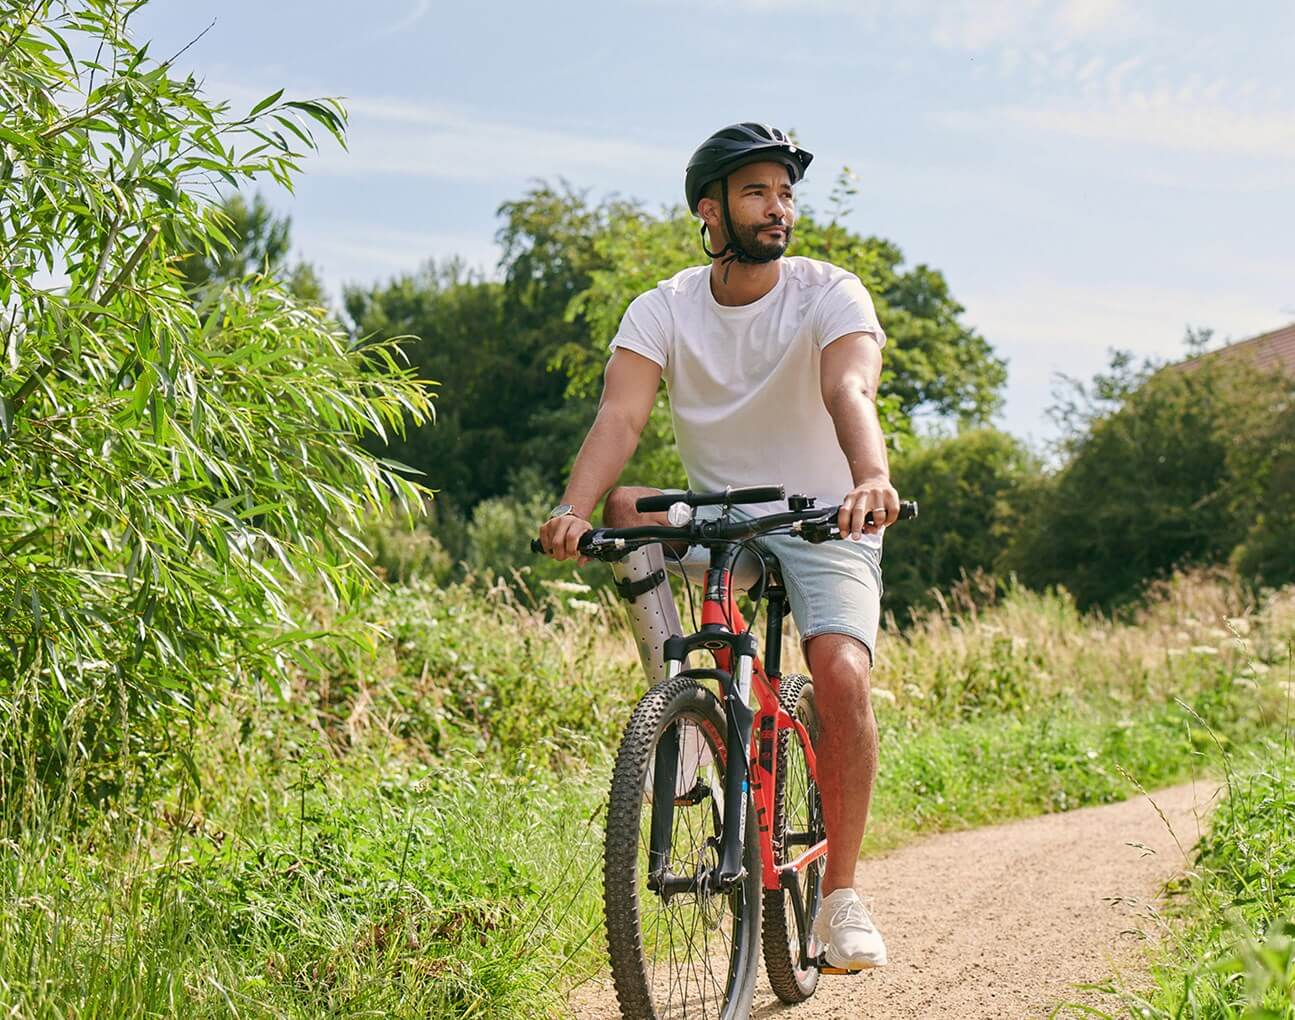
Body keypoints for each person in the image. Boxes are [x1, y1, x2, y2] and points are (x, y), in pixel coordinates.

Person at [537, 122, 896, 970]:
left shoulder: (827, 291)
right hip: (716, 517)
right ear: (710, 210)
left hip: (822, 516)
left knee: (838, 672)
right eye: (756, 193)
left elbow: (849, 384)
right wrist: (572, 506)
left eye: (784, 193)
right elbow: (621, 416)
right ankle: (684, 709)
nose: (778, 209)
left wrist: (869, 477)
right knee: (625, 509)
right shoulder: (663, 306)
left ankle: (840, 898)